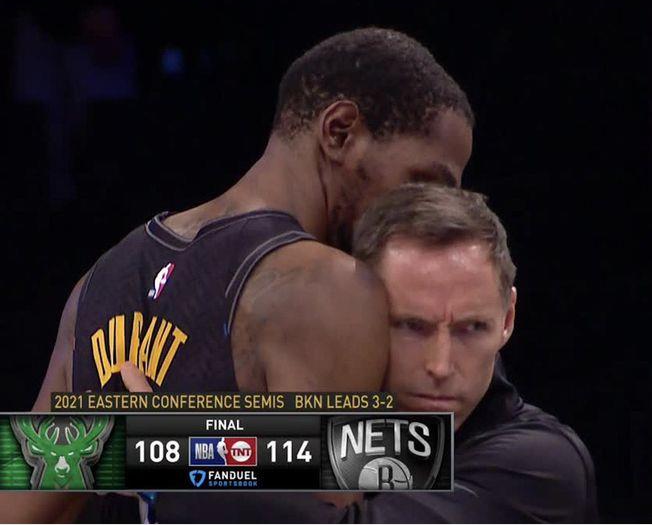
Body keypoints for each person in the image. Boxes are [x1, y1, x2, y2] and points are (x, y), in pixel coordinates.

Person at [0, 28, 473, 522]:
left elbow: (19, 506)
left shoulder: (98, 281)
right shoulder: (330, 288)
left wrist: (156, 450)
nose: (431, 214)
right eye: (424, 183)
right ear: (338, 132)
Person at [348, 183, 598, 522]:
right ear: (356, 312)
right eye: (411, 326)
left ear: (507, 319)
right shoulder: (369, 435)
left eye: (472, 328)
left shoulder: (540, 464)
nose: (439, 366)